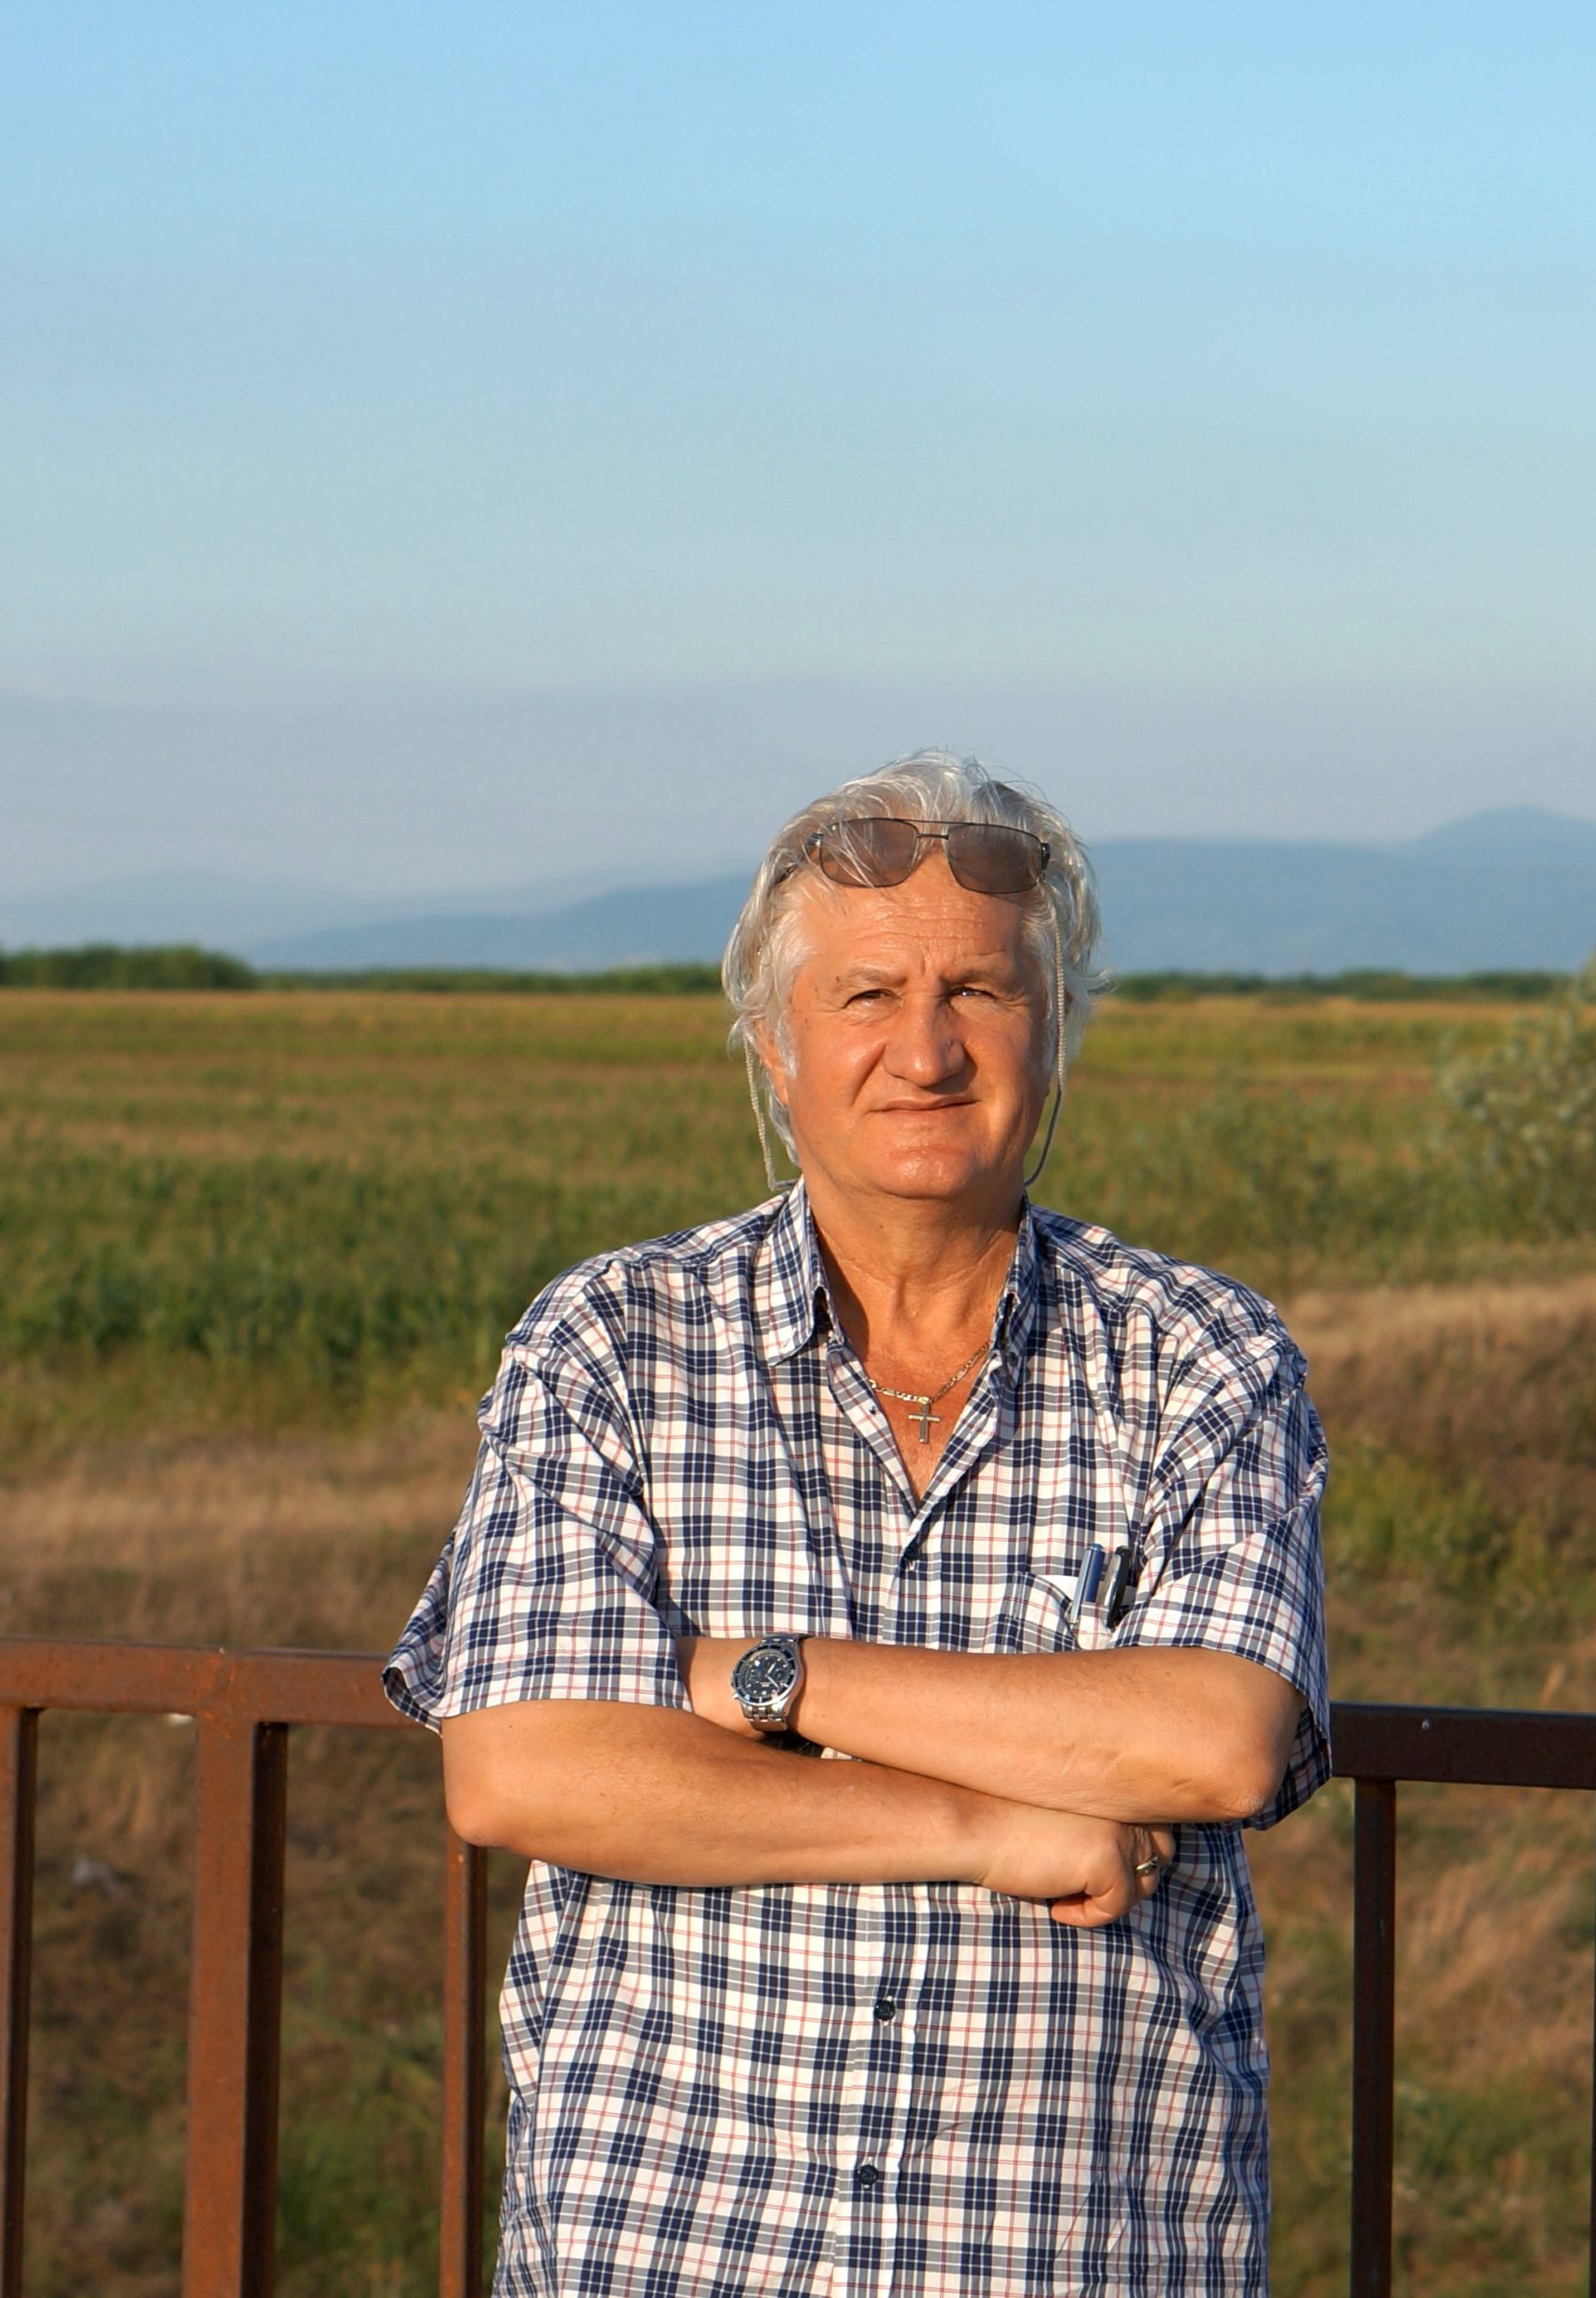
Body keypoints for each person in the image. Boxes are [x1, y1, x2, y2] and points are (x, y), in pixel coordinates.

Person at [385, 751, 1329, 2296]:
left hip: (1064, 2247)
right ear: (774, 1045)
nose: (929, 1049)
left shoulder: (1201, 1358)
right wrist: (988, 1822)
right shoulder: (612, 1341)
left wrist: (764, 1678)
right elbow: (521, 1766)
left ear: (1057, 1027)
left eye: (982, 990)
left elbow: (1215, 1734)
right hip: (669, 2240)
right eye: (868, 995)